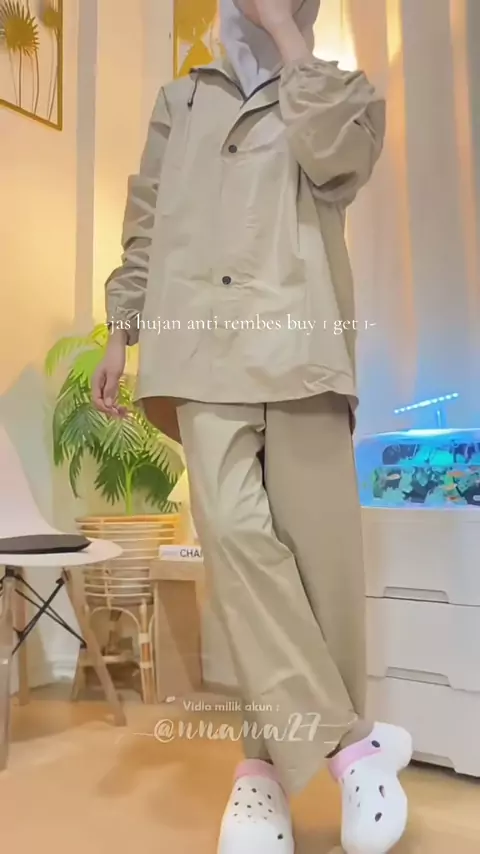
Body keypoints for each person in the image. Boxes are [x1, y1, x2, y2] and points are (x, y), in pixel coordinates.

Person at [93, 1, 413, 852]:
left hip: (303, 347)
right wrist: (122, 330)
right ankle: (353, 747)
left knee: (320, 575)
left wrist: (289, 43)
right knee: (235, 542)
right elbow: (146, 222)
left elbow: (340, 164)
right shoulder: (181, 100)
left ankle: (261, 775)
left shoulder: (336, 89)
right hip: (200, 351)